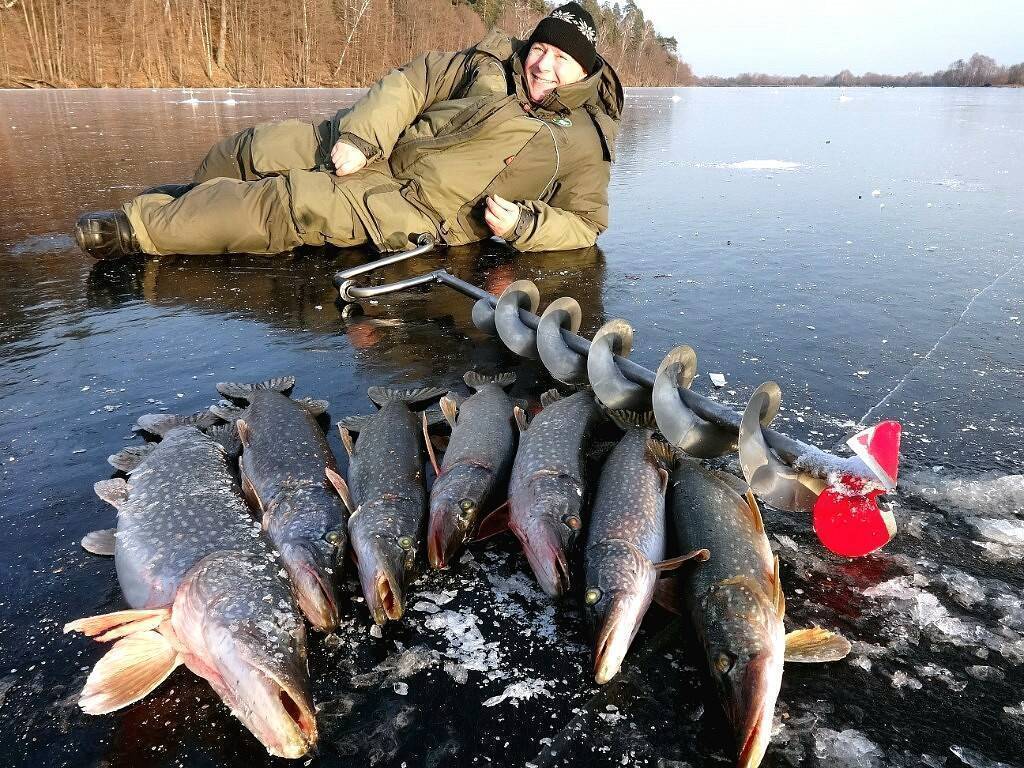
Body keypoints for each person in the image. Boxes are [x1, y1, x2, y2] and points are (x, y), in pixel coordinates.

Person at [75, 2, 623, 259]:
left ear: (584, 69)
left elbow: (585, 224)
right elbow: (411, 83)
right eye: (541, 50)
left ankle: (137, 230)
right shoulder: (485, 63)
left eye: (561, 60)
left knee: (285, 203)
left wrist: (528, 223)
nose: (543, 66)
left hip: (414, 206)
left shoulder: (582, 140)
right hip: (378, 145)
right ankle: (191, 199)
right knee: (253, 146)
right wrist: (362, 137)